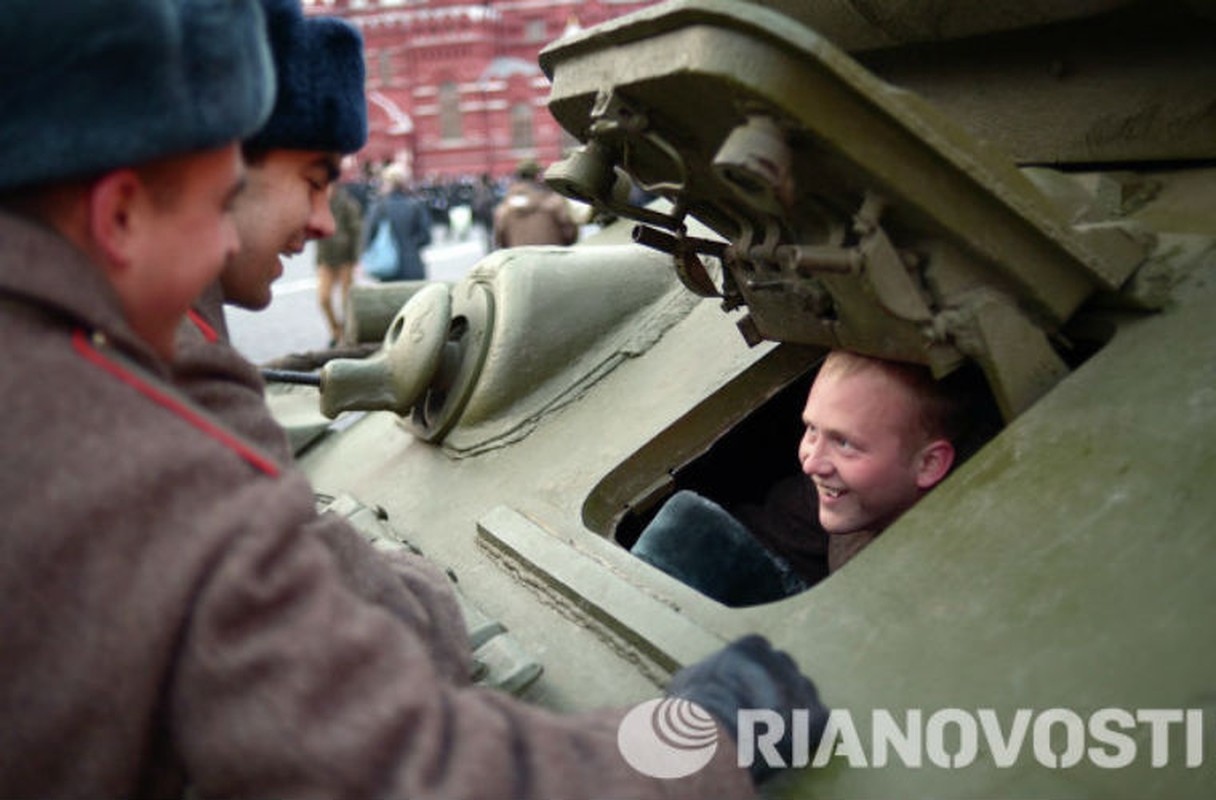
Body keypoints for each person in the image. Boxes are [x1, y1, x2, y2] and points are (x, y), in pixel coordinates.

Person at [0, 2, 825, 796]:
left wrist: (388, 595)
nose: (226, 244)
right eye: (221, 204)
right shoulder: (133, 462)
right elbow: (407, 777)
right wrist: (704, 743)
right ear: (117, 214)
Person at [633, 350, 978, 606]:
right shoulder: (845, 490)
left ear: (930, 464)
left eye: (844, 443)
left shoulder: (959, 553)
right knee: (689, 527)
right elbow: (767, 534)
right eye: (812, 429)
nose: (812, 462)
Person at [361, 162, 432, 280]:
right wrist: (410, 245)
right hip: (413, 266)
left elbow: (368, 238)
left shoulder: (378, 207)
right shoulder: (415, 205)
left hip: (387, 267)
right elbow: (426, 237)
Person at [493, 160, 579, 249]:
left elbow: (500, 238)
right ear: (537, 176)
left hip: (519, 258)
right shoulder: (553, 201)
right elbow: (570, 231)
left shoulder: (505, 206)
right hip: (551, 257)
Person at [316, 178, 362, 345]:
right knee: (323, 298)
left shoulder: (347, 203)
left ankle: (348, 332)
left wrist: (356, 258)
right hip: (326, 260)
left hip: (345, 259)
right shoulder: (319, 204)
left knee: (346, 300)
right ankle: (336, 331)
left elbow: (357, 231)